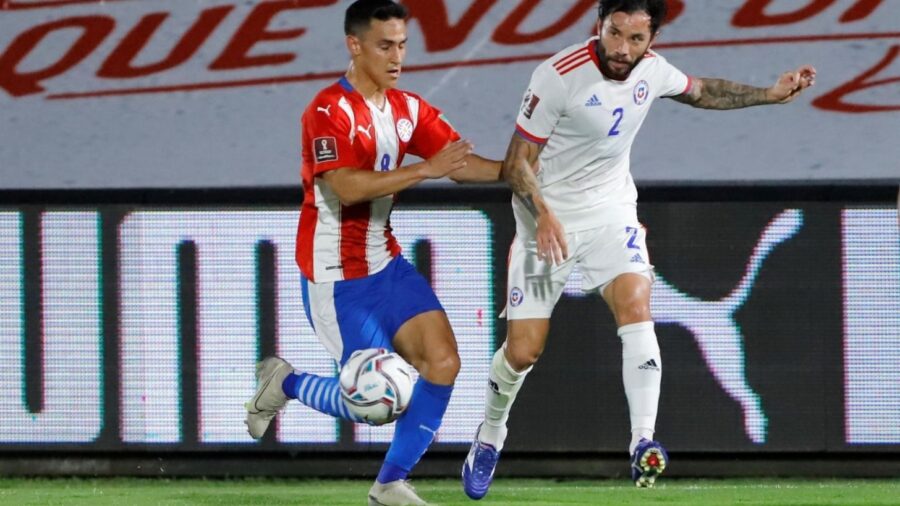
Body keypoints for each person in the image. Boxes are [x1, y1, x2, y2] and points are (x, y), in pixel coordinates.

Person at [462, 0, 816, 497]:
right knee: (523, 352)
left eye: (635, 39)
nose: (622, 48)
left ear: (652, 40)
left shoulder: (652, 69)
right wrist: (542, 214)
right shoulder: (558, 76)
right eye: (615, 33)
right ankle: (491, 434)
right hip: (548, 218)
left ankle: (642, 442)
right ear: (599, 25)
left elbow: (702, 91)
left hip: (611, 214)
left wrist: (769, 95)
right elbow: (517, 161)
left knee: (635, 304)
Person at [243, 1, 500, 505]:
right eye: (385, 46)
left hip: (386, 262)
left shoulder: (407, 108)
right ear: (354, 45)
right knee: (375, 403)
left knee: (443, 362)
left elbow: (459, 163)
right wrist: (424, 169)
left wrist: (523, 167)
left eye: (402, 45)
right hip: (336, 276)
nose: (397, 56)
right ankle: (286, 383)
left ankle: (388, 485)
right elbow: (345, 186)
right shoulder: (327, 110)